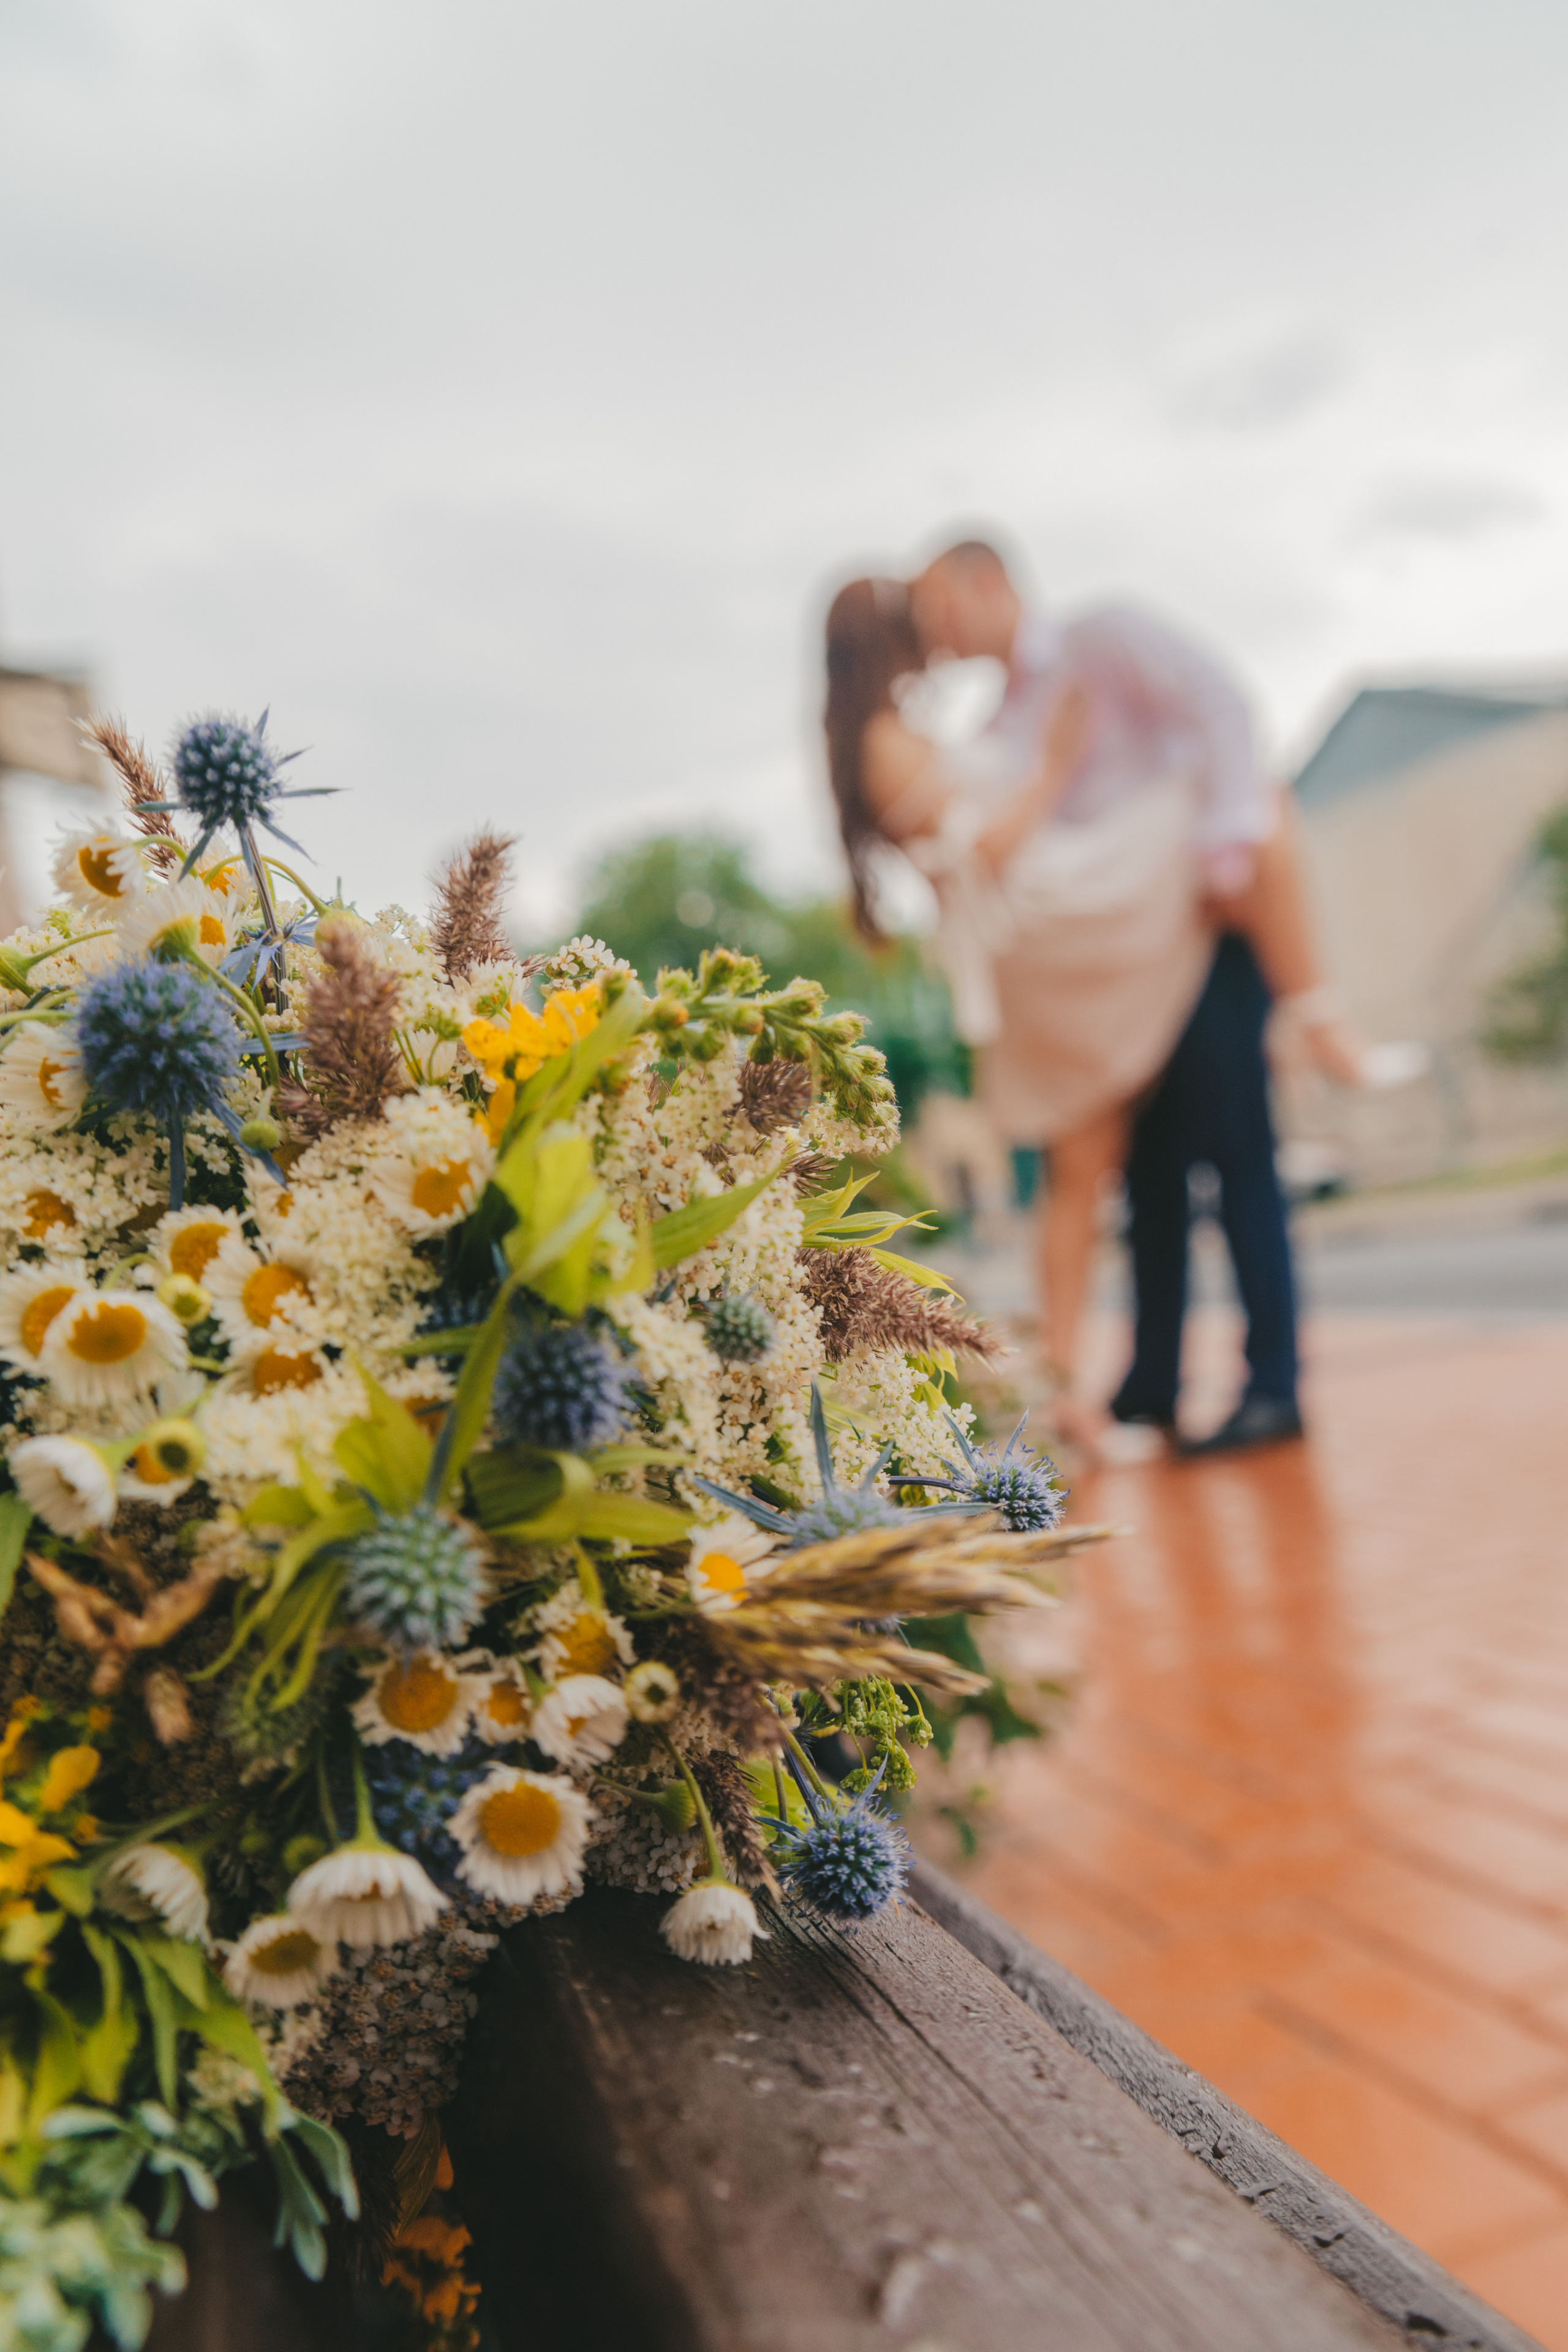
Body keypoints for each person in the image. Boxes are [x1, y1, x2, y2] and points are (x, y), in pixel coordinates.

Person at [823, 546, 1360, 1455]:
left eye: (937, 611)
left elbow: (1212, 708)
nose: (936, 636)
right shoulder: (898, 740)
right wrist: (1056, 770)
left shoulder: (1044, 671)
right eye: (917, 621)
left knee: (1095, 1165)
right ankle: (1315, 1015)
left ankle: (1083, 1393)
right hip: (1062, 921)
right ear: (891, 639)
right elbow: (978, 855)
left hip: (1071, 923)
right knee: (1248, 817)